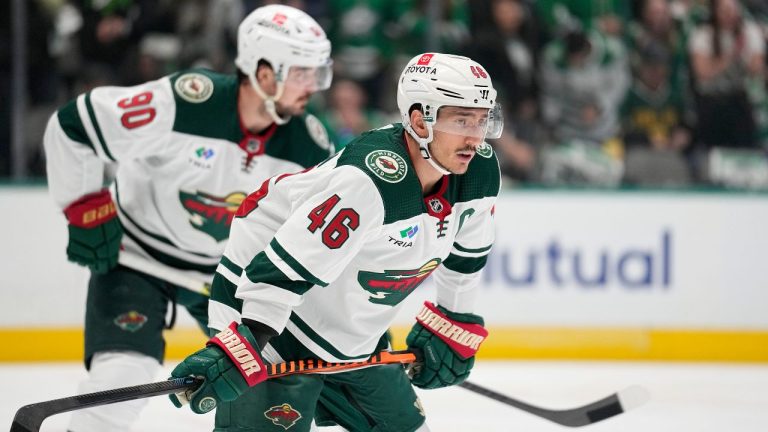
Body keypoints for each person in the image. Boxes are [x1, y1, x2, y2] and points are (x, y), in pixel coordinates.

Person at [168, 52, 503, 432]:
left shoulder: (479, 172)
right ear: (418, 120)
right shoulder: (370, 181)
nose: (475, 136)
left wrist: (453, 320)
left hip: (351, 336)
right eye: (461, 120)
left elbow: (466, 257)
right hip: (269, 314)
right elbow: (282, 270)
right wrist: (245, 343)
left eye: (482, 120)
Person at [43, 5, 335, 432]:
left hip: (226, 274)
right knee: (123, 372)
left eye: (318, 73)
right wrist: (86, 207)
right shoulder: (185, 102)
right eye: (303, 73)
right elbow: (76, 124)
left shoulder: (310, 145)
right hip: (137, 257)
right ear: (264, 72)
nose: (314, 86)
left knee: (266, 381)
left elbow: (319, 234)